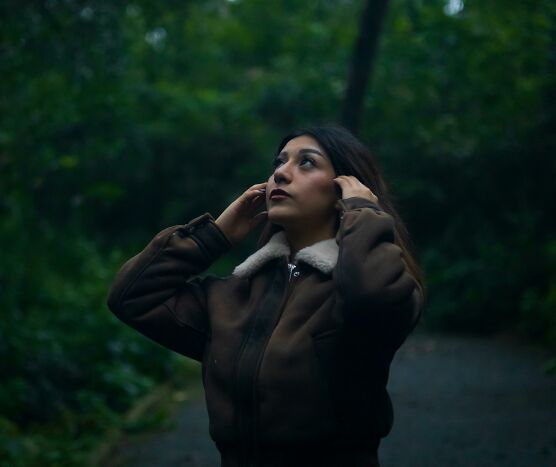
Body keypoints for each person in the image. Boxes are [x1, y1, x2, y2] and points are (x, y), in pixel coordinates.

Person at [106, 124, 426, 467]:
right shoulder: (232, 294)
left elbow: (371, 297)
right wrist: (213, 236)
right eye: (278, 162)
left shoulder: (367, 285)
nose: (281, 173)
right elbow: (132, 297)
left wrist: (363, 212)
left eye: (306, 163)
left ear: (345, 189)